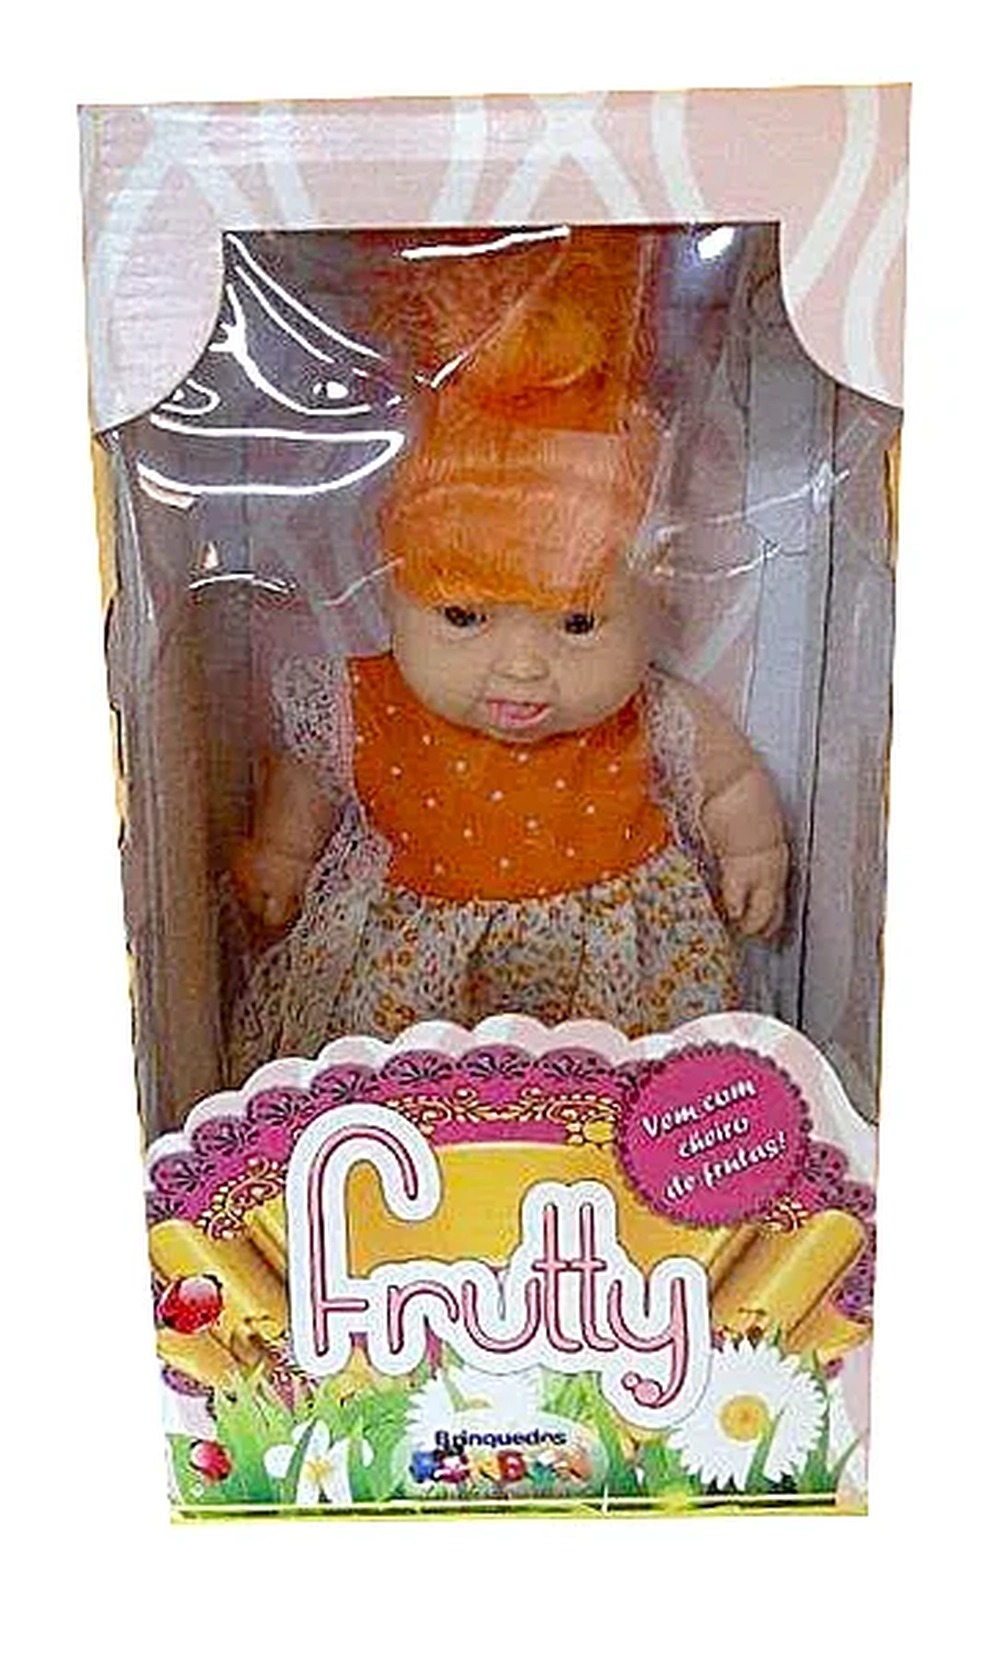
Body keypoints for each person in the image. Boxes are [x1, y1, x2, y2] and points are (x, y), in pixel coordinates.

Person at [228, 231, 787, 1080]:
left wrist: (751, 851)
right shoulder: (363, 706)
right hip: (416, 989)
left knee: (625, 1096)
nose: (522, 668)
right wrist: (283, 854)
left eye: (577, 624)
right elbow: (306, 780)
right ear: (396, 589)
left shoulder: (650, 717)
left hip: (615, 992)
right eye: (463, 616)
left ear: (650, 601)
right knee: (402, 1088)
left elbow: (728, 780)